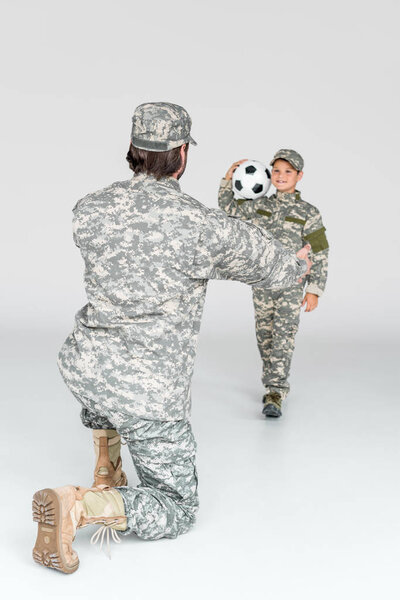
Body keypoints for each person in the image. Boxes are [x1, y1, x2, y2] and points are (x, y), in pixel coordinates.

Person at [32, 105, 311, 574]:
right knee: (177, 507)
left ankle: (106, 465)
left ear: (134, 150)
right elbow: (275, 271)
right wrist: (300, 262)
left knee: (105, 389)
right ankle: (80, 506)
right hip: (148, 390)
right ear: (182, 155)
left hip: (83, 364)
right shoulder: (204, 227)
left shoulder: (89, 208)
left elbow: (147, 249)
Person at [218, 149, 329, 418]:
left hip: (292, 284)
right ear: (269, 175)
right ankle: (272, 382)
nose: (281, 176)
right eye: (277, 171)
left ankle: (276, 391)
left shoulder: (308, 212)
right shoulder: (259, 205)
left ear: (299, 176)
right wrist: (227, 178)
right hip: (263, 284)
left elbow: (320, 251)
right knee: (265, 336)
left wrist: (314, 289)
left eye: (288, 172)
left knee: (283, 337)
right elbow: (228, 208)